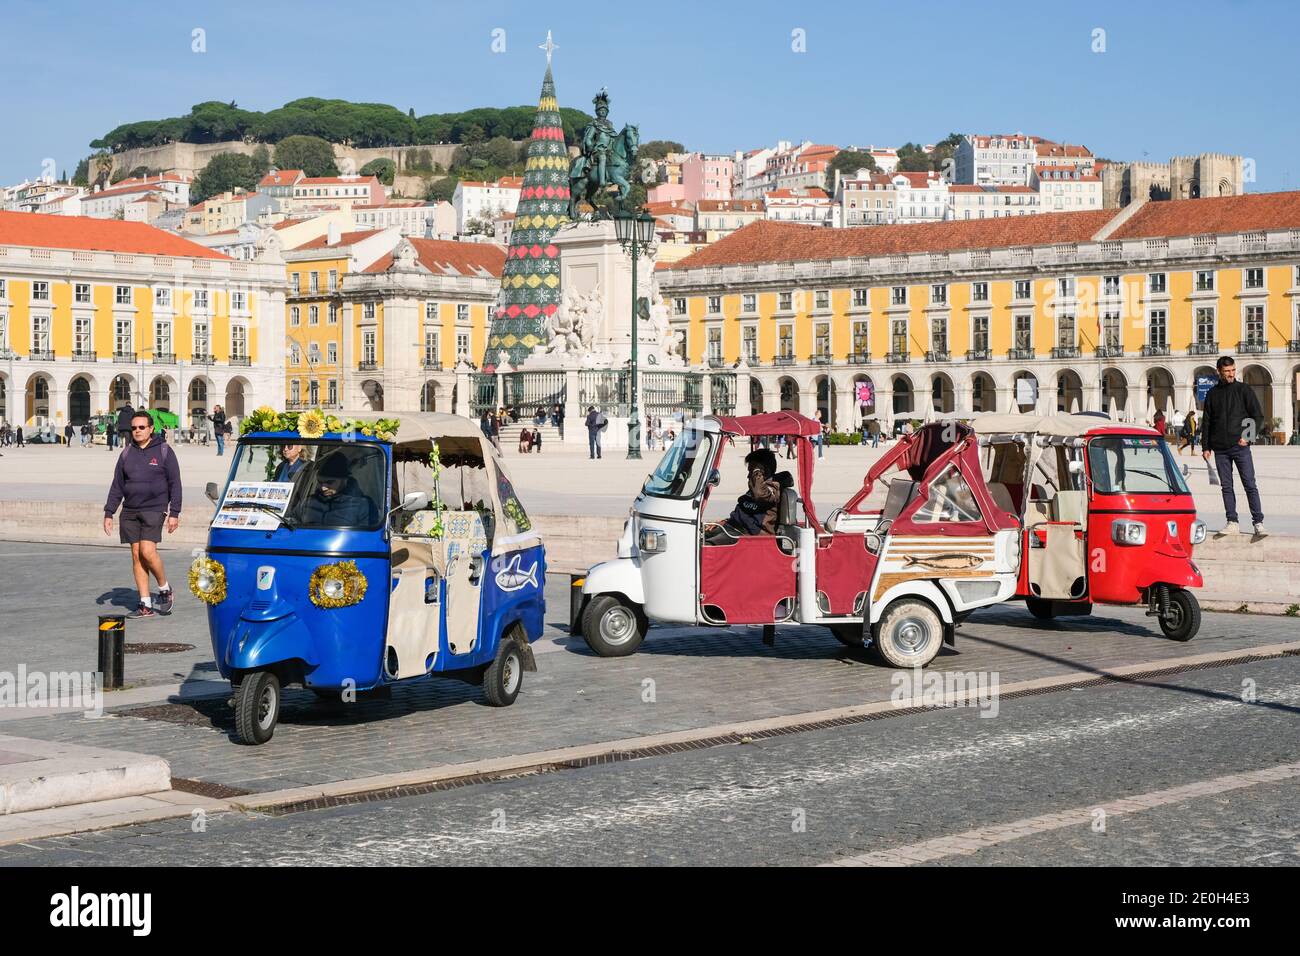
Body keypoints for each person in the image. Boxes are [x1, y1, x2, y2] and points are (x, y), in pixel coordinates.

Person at [103, 410, 181, 619]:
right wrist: (109, 512)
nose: (137, 431)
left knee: (147, 551)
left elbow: (175, 483)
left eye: (141, 427)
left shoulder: (164, 451)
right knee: (136, 555)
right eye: (134, 428)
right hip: (130, 510)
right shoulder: (127, 453)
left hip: (154, 508)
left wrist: (175, 512)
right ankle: (145, 603)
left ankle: (164, 588)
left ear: (151, 429)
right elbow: (117, 485)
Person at [1200, 355, 1266, 539]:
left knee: (1250, 484)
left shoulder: (1244, 390)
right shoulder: (1212, 394)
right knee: (1226, 487)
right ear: (1219, 372)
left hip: (1240, 447)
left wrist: (1248, 438)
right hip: (1220, 448)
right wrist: (1206, 446)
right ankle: (1232, 522)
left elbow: (1258, 416)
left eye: (1233, 370)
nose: (1231, 374)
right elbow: (1207, 422)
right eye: (1227, 371)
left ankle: (1258, 522)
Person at [704, 449, 785, 544]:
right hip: (733, 529)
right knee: (699, 536)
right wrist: (723, 522)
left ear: (763, 471)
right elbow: (742, 513)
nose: (748, 476)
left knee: (707, 545)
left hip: (749, 536)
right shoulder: (756, 488)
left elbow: (760, 494)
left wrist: (756, 471)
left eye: (752, 471)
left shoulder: (773, 489)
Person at [300, 452, 370, 526]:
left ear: (344, 480)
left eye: (329, 482)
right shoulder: (308, 502)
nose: (323, 488)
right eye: (320, 482)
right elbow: (293, 521)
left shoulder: (362, 506)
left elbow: (365, 536)